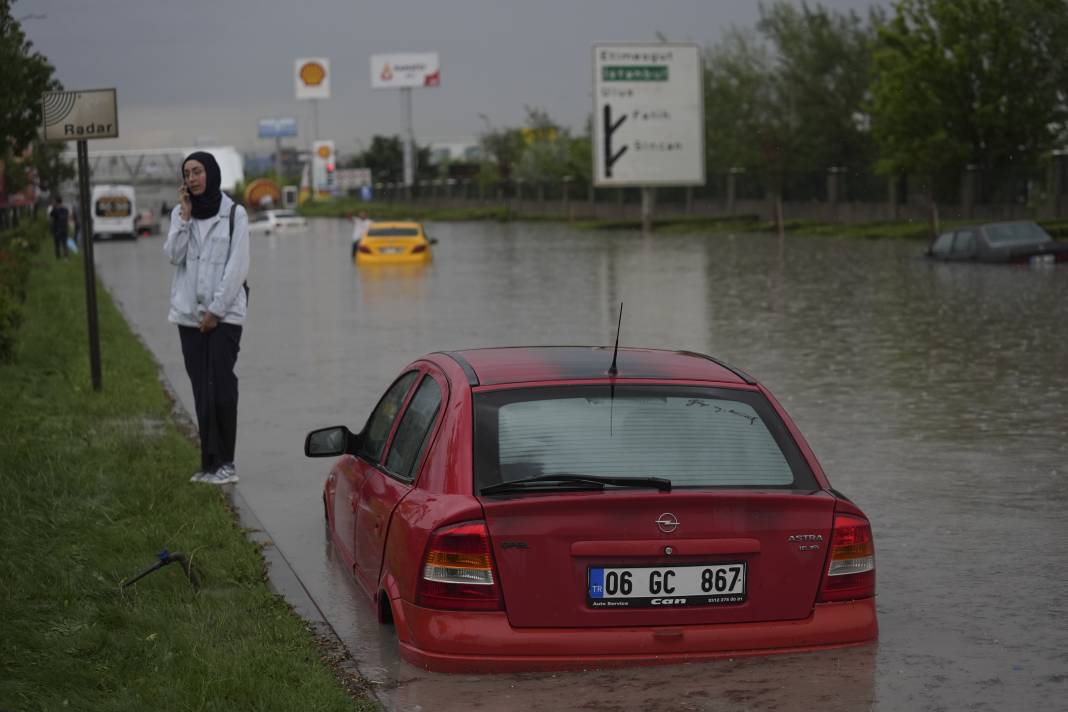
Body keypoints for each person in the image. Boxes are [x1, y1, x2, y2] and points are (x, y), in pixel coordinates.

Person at [164, 151, 250, 485]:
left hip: (225, 315)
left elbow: (237, 266)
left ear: (211, 173)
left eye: (198, 171)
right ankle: (209, 464)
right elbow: (173, 256)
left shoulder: (234, 214)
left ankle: (227, 463)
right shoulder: (180, 214)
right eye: (187, 173)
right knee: (201, 390)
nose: (192, 178)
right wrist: (184, 218)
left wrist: (216, 310)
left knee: (222, 388)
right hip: (188, 316)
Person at [48, 195, 70, 259]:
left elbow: (51, 216)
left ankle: (59, 257)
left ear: (56, 202)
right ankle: (65, 256)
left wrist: (54, 208)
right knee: (64, 244)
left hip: (57, 229)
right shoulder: (65, 209)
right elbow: (66, 217)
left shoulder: (55, 209)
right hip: (63, 228)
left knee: (57, 244)